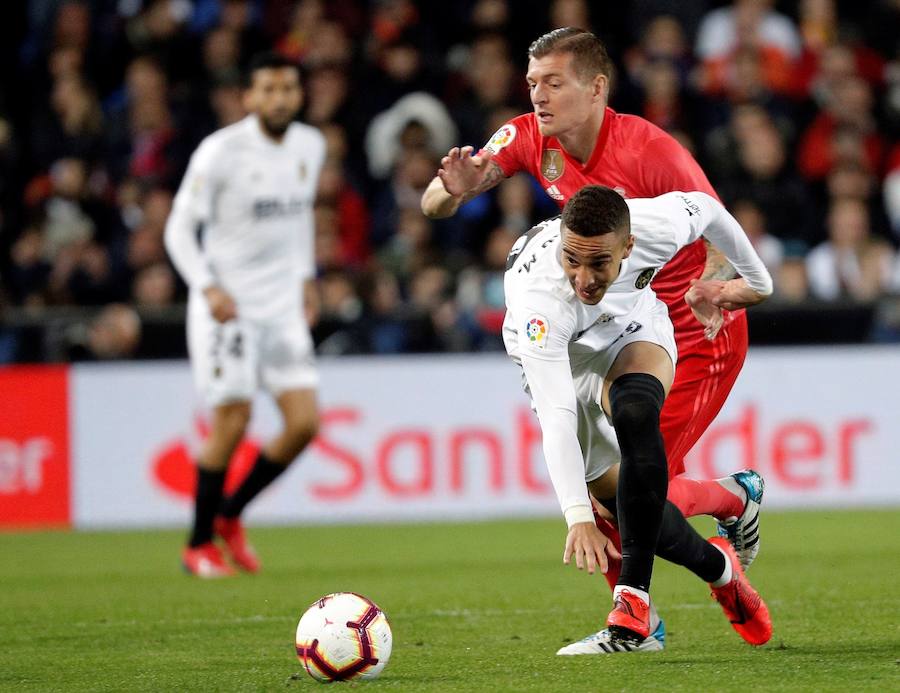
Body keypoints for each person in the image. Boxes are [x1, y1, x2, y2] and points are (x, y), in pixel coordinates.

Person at [421, 28, 762, 650]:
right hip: (606, 322)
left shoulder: (651, 152)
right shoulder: (529, 137)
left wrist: (721, 284)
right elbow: (432, 202)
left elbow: (716, 227)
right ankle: (684, 563)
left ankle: (698, 546)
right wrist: (456, 189)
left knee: (629, 490)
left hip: (693, 329)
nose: (539, 97)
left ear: (597, 87)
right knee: (612, 487)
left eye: (554, 83)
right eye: (532, 83)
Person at [504, 184, 773, 652]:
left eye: (598, 263)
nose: (583, 278)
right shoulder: (540, 303)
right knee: (621, 509)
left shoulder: (653, 225)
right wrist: (577, 517)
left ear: (628, 247)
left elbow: (709, 210)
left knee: (635, 413)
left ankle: (632, 611)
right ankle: (722, 563)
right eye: (572, 260)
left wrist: (757, 283)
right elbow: (558, 416)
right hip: (562, 361)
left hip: (632, 333)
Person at [164, 52, 325, 578]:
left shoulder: (309, 145)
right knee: (233, 421)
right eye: (269, 89)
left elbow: (299, 219)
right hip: (228, 308)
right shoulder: (221, 152)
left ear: (299, 95)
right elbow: (177, 229)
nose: (280, 98)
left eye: (288, 88)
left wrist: (305, 278)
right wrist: (206, 287)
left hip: (281, 306)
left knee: (303, 422)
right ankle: (197, 545)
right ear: (249, 97)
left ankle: (230, 516)